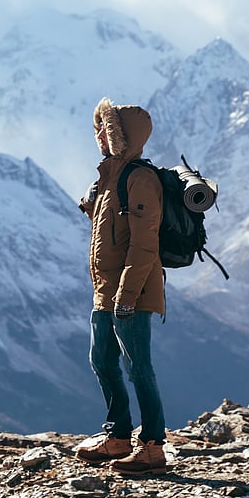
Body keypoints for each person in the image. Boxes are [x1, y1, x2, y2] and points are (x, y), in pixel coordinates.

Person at [73, 97, 169, 475]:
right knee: (101, 361)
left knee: (138, 368)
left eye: (105, 128)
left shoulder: (140, 179)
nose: (98, 134)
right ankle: (117, 436)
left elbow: (144, 246)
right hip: (105, 292)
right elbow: (111, 234)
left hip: (132, 294)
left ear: (122, 136)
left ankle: (153, 446)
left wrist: (126, 297)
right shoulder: (110, 176)